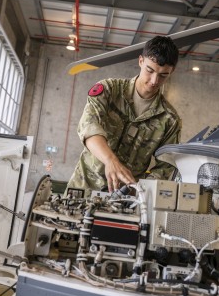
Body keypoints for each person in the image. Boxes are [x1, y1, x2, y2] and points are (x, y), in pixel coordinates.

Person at [66, 35, 182, 197]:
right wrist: (110, 161)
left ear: (172, 71)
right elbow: (88, 128)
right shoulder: (108, 91)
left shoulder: (169, 120)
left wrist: (139, 189)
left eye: (163, 75)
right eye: (150, 70)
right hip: (85, 187)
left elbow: (167, 165)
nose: (154, 80)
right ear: (140, 61)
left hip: (126, 199)